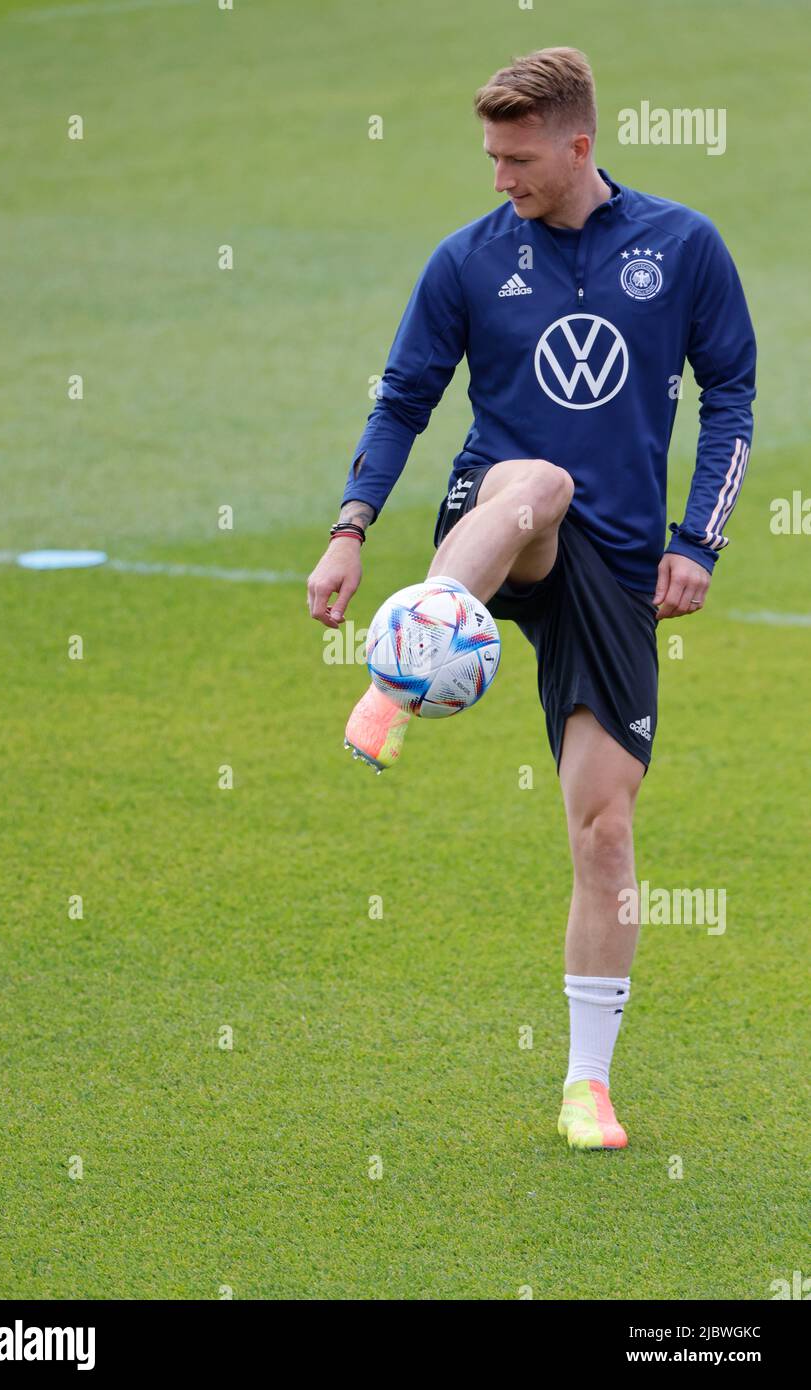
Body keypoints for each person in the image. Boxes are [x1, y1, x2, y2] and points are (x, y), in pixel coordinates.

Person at [306, 48, 756, 1149]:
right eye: (492, 156)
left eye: (518, 158)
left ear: (580, 145)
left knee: (604, 829)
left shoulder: (681, 247)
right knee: (539, 482)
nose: (501, 176)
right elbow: (405, 396)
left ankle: (585, 1086)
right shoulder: (467, 261)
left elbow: (731, 391)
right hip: (496, 517)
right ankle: (397, 677)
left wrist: (697, 539)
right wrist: (350, 527)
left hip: (615, 562)